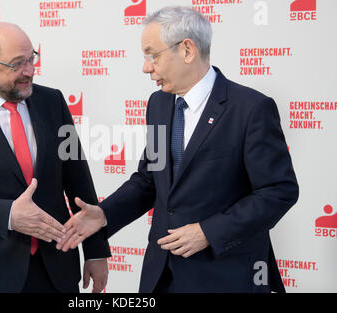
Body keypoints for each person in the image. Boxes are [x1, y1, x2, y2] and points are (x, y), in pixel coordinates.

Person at [57, 6, 299, 293]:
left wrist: (209, 232)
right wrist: (104, 214)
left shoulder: (251, 108)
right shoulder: (158, 104)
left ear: (187, 50)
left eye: (153, 55)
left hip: (226, 277)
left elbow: (278, 191)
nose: (146, 67)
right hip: (162, 276)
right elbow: (150, 180)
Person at [0, 22, 110, 293]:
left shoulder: (53, 102)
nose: (29, 71)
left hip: (56, 268)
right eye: (17, 63)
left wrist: (95, 251)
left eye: (31, 59)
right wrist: (9, 214)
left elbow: (78, 180)